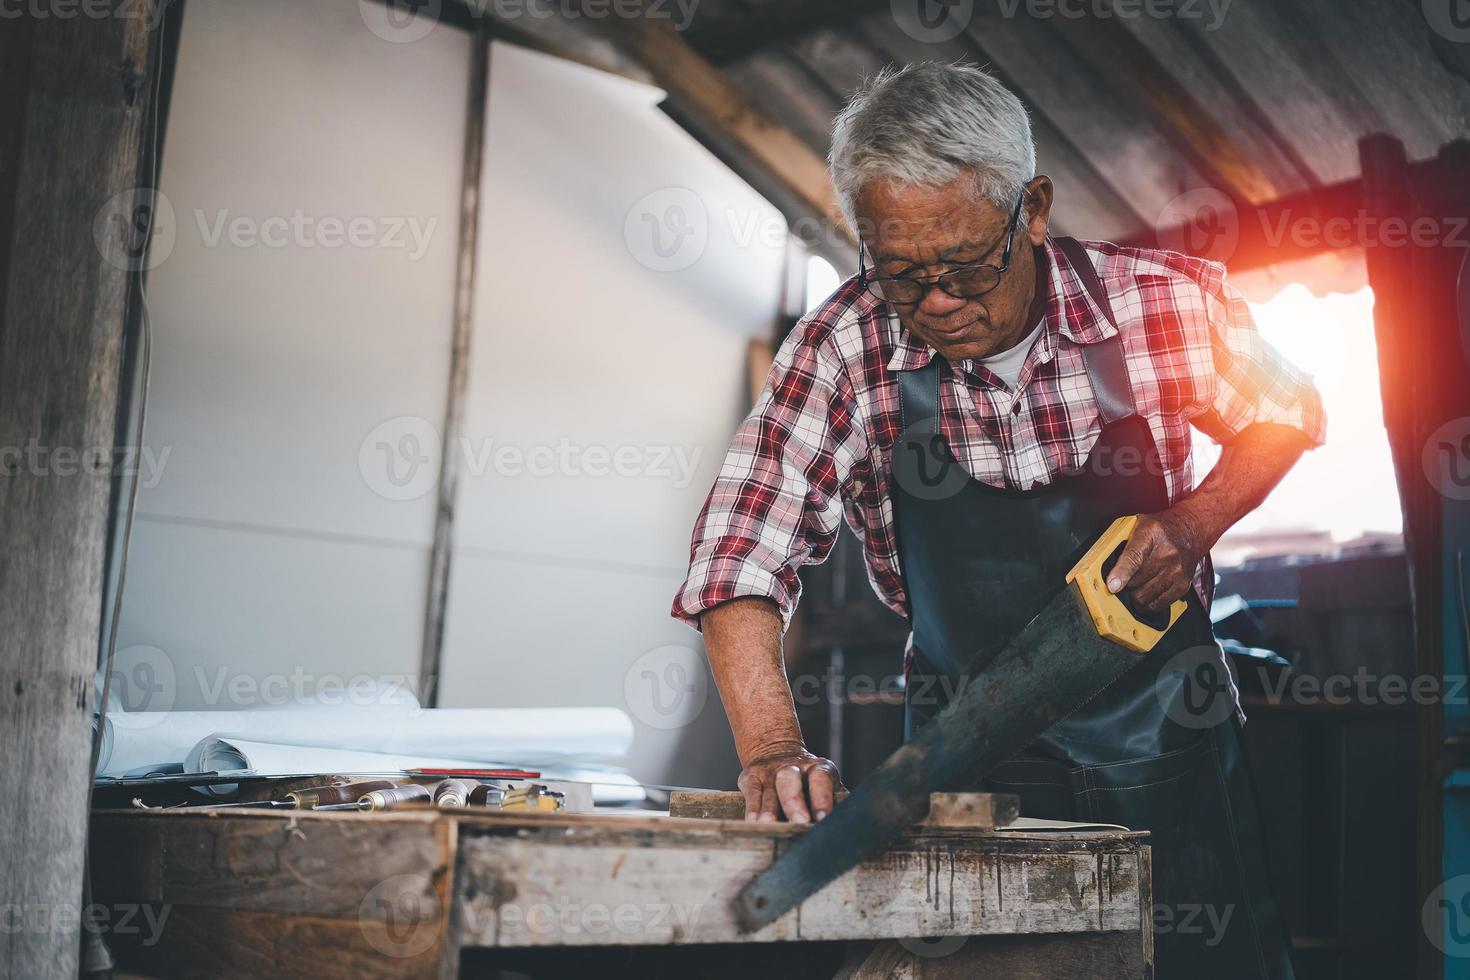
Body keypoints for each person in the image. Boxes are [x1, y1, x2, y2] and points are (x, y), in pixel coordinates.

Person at [672, 62, 1321, 977]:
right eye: (902, 273)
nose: (937, 301)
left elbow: (1294, 405)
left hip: (1168, 739)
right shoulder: (843, 349)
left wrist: (1195, 520)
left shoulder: (1161, 302)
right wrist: (773, 751)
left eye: (966, 266)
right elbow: (739, 554)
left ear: (1035, 209)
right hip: (963, 762)